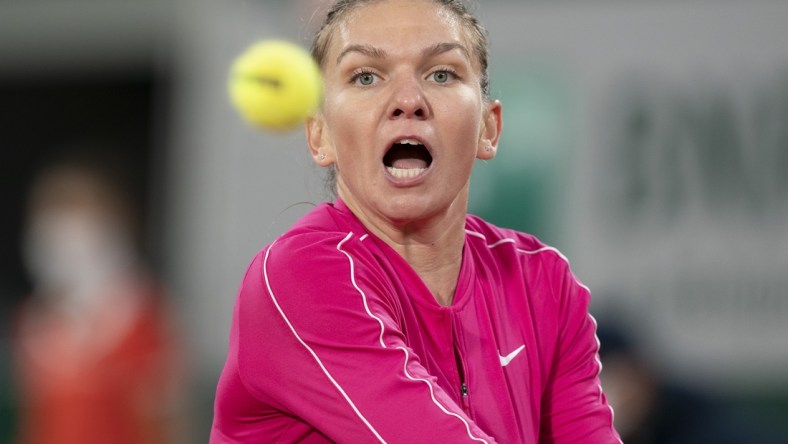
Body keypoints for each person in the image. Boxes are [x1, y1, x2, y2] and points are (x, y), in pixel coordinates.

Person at [211, 0, 620, 442]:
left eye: (441, 73)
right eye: (366, 76)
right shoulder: (297, 276)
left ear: (489, 128)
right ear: (320, 134)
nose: (408, 101)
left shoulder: (543, 282)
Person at [12, 158, 183, 444]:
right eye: (52, 224)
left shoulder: (144, 316)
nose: (65, 243)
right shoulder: (30, 322)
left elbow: (169, 424)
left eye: (77, 225)